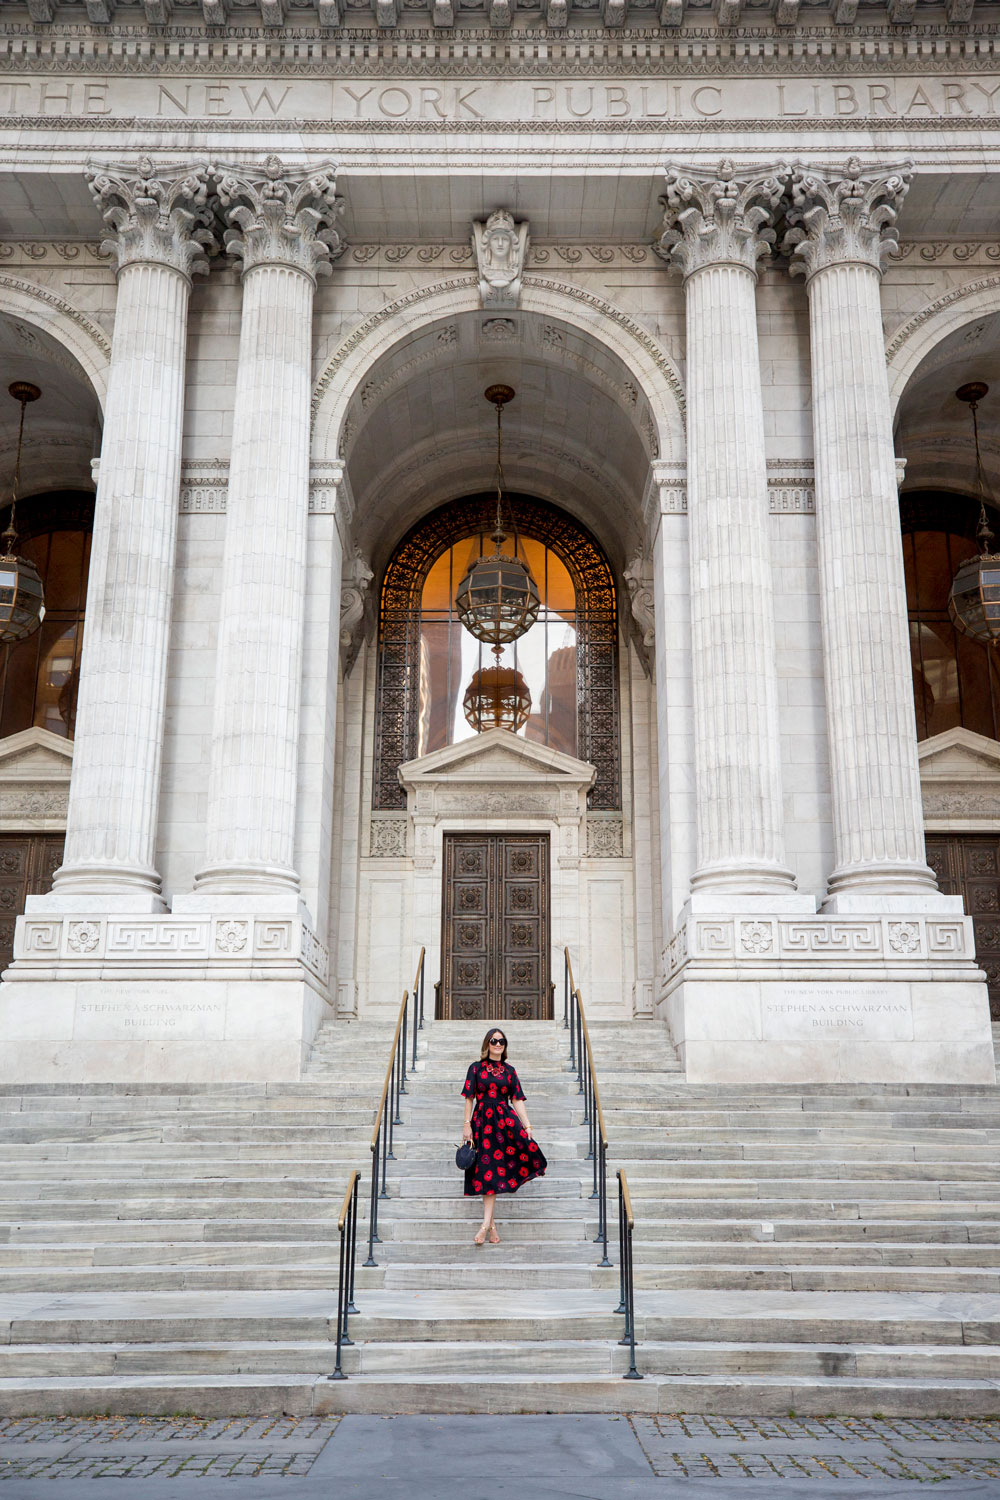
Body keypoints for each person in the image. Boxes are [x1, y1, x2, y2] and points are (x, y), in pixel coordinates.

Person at [461, 1027, 547, 1246]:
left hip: (504, 1124)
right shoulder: (476, 1068)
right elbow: (469, 1098)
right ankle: (489, 1225)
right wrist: (466, 1124)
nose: (498, 1044)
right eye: (494, 1040)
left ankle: (487, 1225)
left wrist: (527, 1125)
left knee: (493, 1173)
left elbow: (517, 1099)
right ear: (487, 1044)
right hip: (482, 1124)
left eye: (502, 1041)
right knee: (487, 1174)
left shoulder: (510, 1071)